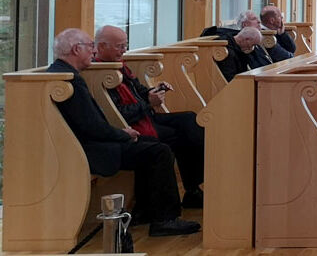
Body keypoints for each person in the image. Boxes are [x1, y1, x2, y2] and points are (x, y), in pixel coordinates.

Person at [48, 29, 201, 236]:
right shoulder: (70, 79)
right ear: (76, 49)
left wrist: (123, 132)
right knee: (159, 151)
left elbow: (92, 123)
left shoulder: (63, 73)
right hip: (89, 150)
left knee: (156, 145)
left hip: (87, 142)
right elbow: (92, 126)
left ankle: (147, 210)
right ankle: (165, 219)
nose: (92, 52)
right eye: (90, 46)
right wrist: (123, 134)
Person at [96, 26, 206, 209]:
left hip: (145, 114)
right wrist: (148, 102)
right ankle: (187, 193)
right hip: (131, 124)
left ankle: (196, 186)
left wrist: (155, 91)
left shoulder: (122, 67)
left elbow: (140, 92)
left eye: (125, 45)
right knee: (178, 138)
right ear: (101, 47)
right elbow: (118, 114)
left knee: (190, 120)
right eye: (119, 46)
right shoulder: (99, 74)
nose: (124, 50)